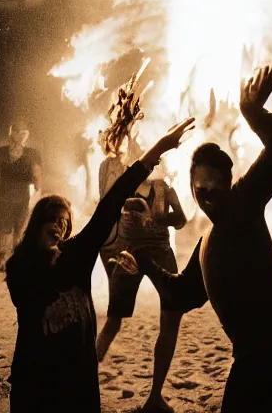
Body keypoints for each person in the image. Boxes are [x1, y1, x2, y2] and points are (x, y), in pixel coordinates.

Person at [114, 65, 272, 413]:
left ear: (228, 183)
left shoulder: (243, 205)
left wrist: (253, 113)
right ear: (191, 188)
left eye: (214, 185)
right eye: (199, 187)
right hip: (256, 363)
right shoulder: (207, 242)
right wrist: (141, 259)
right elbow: (179, 294)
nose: (207, 193)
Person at [5, 118, 194, 413]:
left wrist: (159, 149)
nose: (58, 225)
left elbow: (111, 202)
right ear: (37, 223)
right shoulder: (19, 266)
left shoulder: (76, 255)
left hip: (80, 380)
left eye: (64, 223)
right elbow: (26, 285)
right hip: (36, 382)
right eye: (52, 218)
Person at [96, 137, 188, 413]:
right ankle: (83, 379)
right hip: (129, 255)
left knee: (171, 318)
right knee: (113, 320)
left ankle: (155, 396)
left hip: (160, 253)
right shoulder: (121, 187)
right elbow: (105, 211)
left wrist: (160, 219)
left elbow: (182, 219)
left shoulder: (164, 189)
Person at [0, 120, 42, 270]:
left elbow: (37, 177)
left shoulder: (33, 154)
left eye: (23, 132)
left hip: (22, 196)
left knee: (20, 228)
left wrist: (36, 182)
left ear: (27, 134)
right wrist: (3, 188)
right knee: (4, 228)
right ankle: (2, 257)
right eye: (17, 131)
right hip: (4, 197)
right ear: (11, 132)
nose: (20, 135)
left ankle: (18, 258)